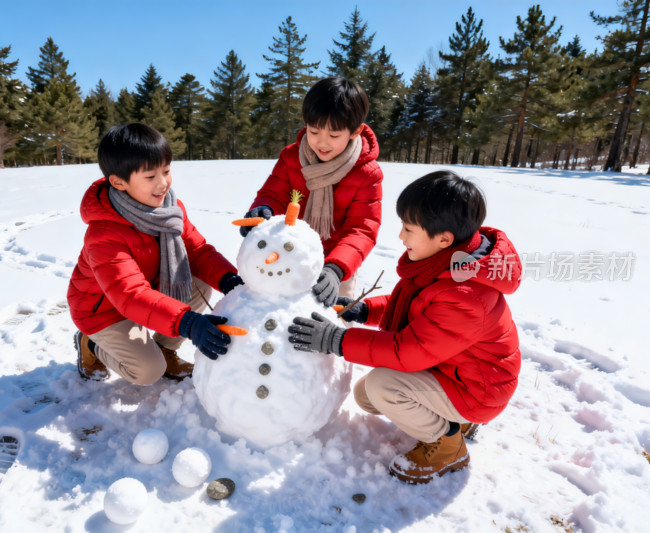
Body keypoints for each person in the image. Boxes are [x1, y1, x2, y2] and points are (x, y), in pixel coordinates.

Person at [287, 170, 522, 484]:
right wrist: (366, 310)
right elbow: (415, 310)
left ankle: (448, 446)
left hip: (478, 390)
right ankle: (454, 418)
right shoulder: (445, 262)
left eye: (409, 229)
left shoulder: (464, 296)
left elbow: (409, 351)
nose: (401, 237)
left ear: (444, 239)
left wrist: (338, 340)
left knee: (384, 387)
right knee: (366, 395)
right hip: (455, 371)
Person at [67, 123, 243, 385]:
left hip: (147, 291)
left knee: (200, 280)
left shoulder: (170, 208)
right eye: (150, 177)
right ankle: (91, 346)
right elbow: (130, 294)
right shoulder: (104, 234)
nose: (163, 184)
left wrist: (231, 280)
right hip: (103, 311)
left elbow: (196, 251)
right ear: (118, 181)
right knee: (148, 372)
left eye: (167, 171)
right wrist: (188, 323)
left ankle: (164, 348)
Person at [239, 77, 383, 306]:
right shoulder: (291, 157)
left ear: (355, 131)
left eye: (334, 136)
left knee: (333, 320)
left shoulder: (367, 174)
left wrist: (337, 268)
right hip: (288, 253)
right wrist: (263, 210)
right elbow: (273, 194)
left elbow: (362, 229)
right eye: (314, 131)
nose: (322, 143)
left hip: (336, 264)